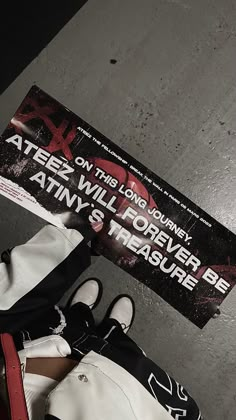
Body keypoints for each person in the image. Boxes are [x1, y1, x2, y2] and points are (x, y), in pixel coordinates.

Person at [0, 225, 202, 420]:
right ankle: (112, 330)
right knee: (124, 358)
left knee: (63, 327)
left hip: (31, 367)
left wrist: (72, 242)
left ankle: (80, 313)